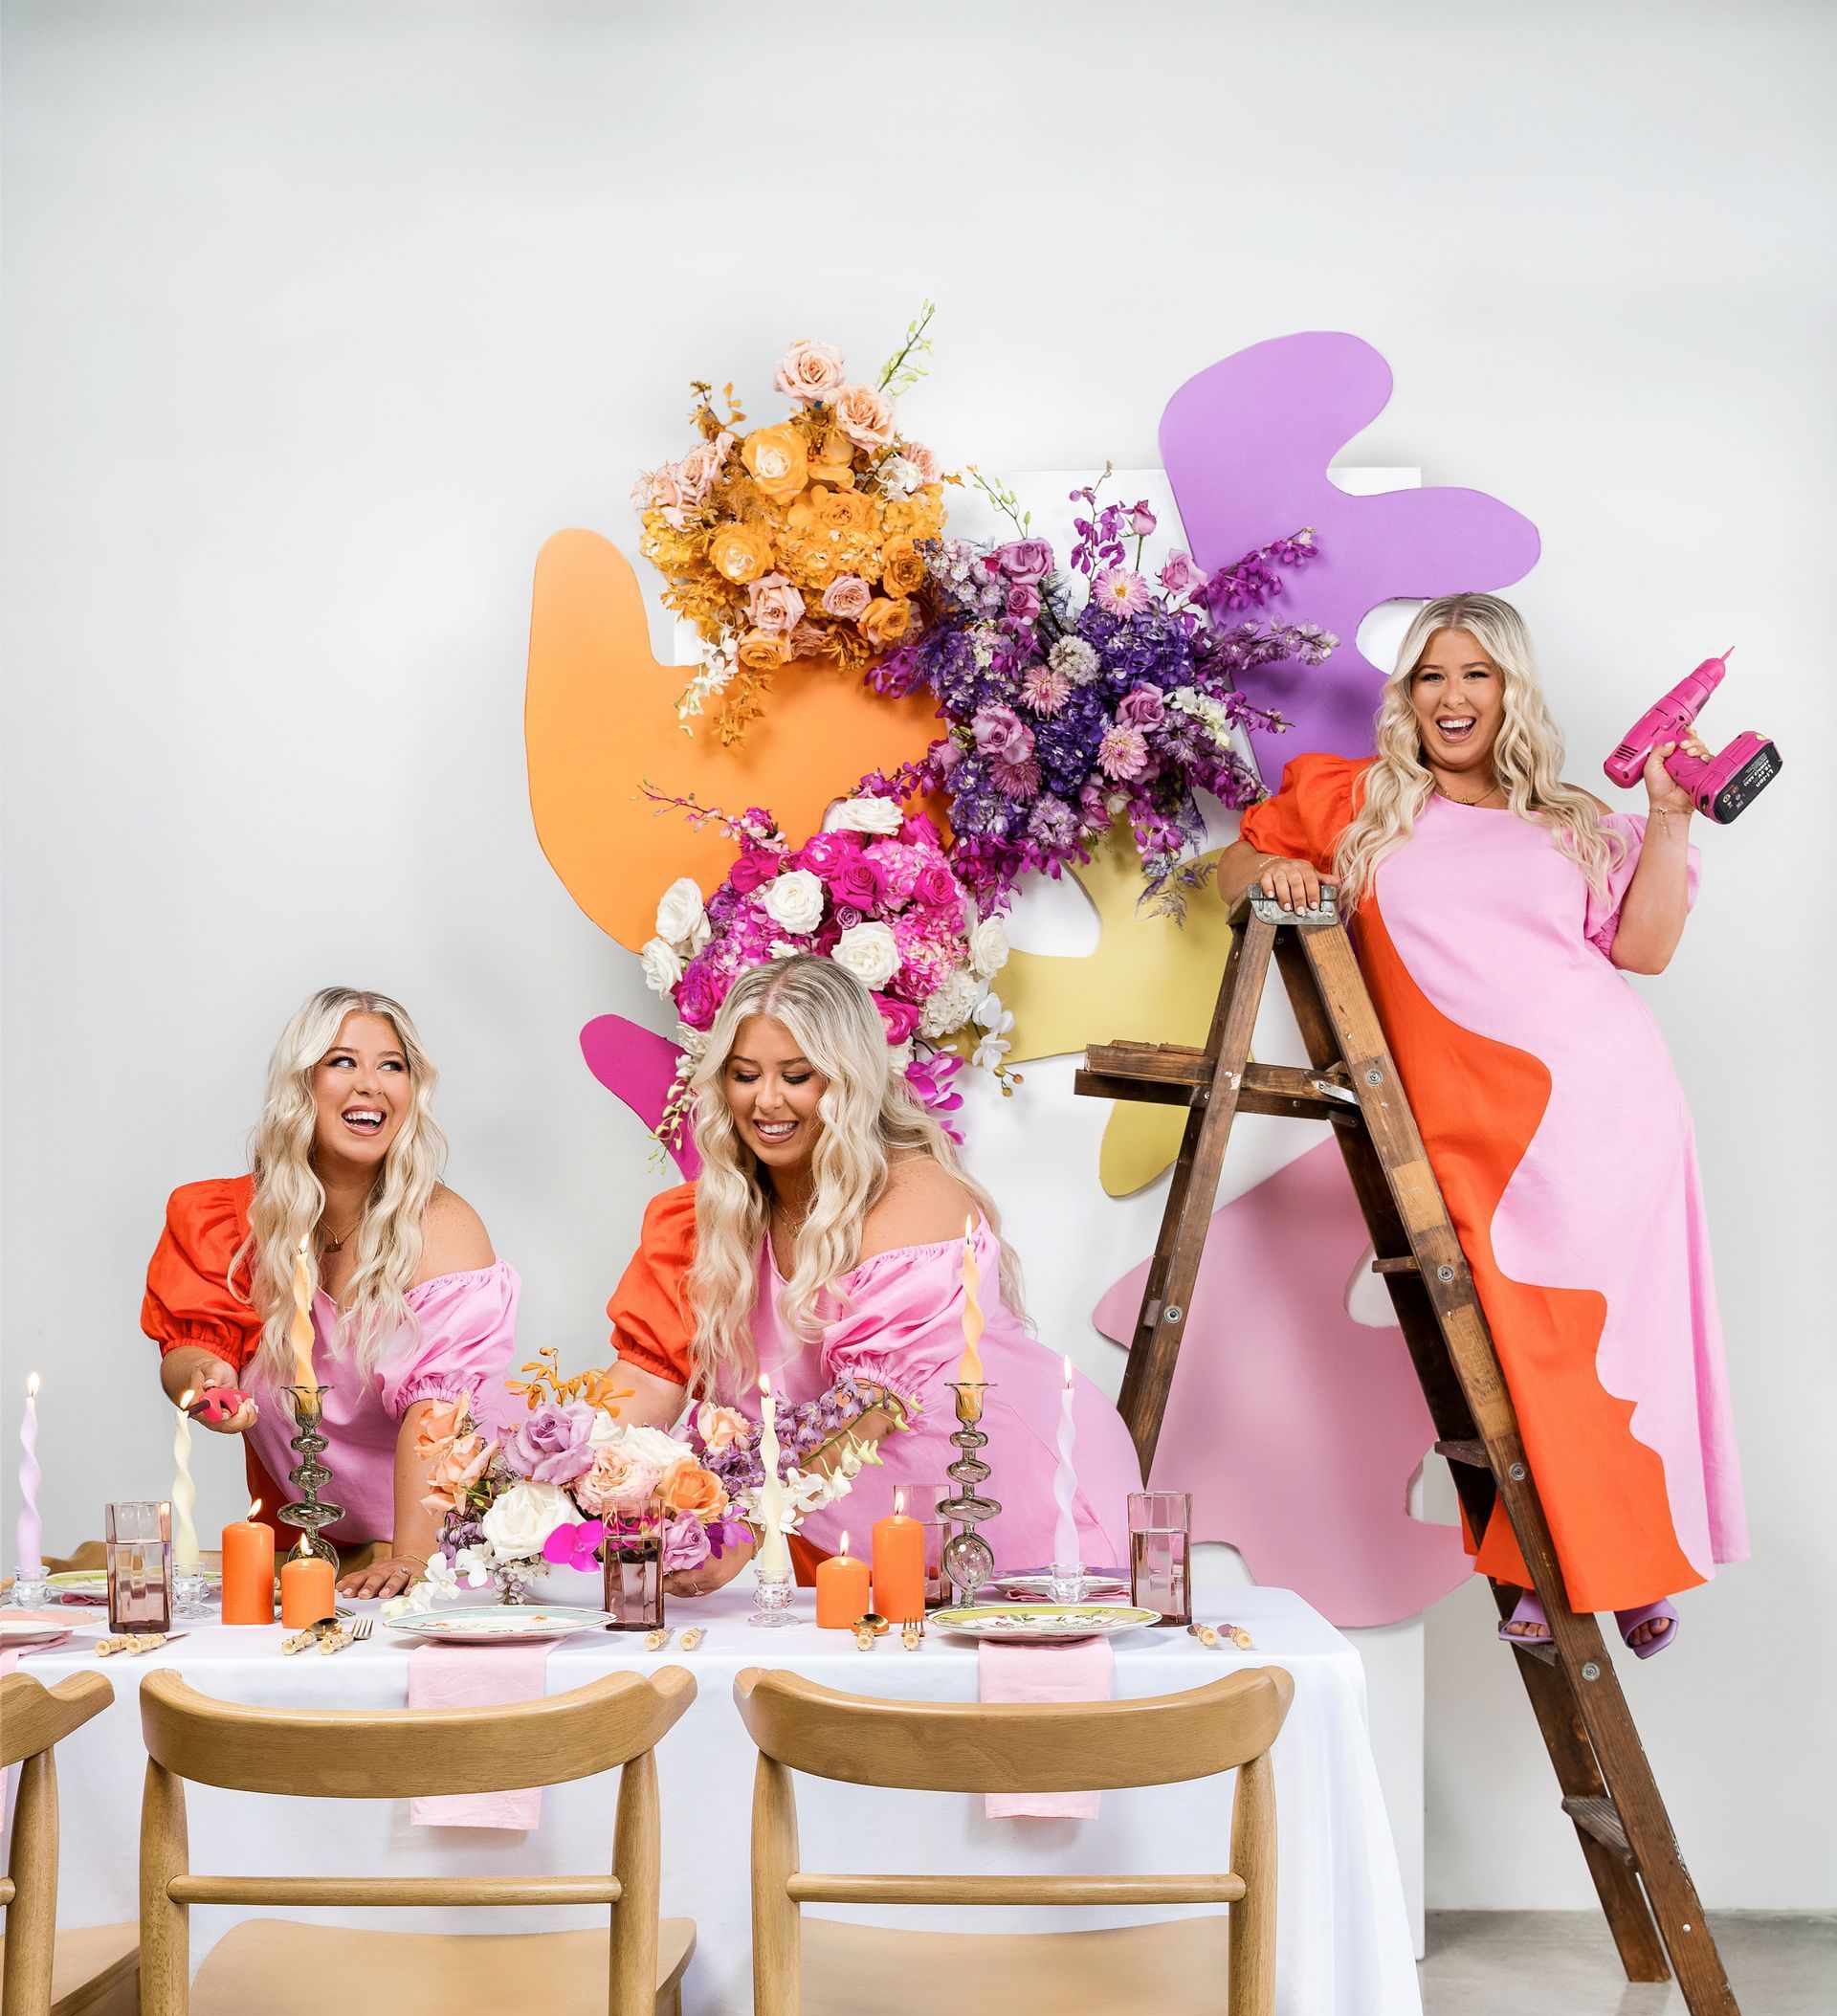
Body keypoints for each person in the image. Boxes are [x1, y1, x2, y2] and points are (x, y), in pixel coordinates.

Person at [1217, 592, 1745, 1656]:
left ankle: (1615, 1567)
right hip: (1468, 1128)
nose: (1453, 697)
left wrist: (1670, 813)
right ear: (1408, 696)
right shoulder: (1359, 801)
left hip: (1608, 1114)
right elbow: (1239, 860)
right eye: (1432, 676)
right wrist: (1273, 871)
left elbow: (1643, 953)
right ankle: (1555, 1558)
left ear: (1512, 691)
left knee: (1618, 1346)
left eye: (1477, 674)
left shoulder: (1570, 820)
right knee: (1508, 1347)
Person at [605, 955, 1140, 1590]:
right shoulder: (701, 1223)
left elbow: (869, 1407)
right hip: (868, 1538)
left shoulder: (914, 1196)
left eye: (797, 1075)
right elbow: (645, 1380)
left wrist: (743, 1521)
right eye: (745, 1075)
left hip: (1029, 1504)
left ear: (850, 1079)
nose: (766, 1099)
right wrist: (565, 1475)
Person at [143, 986, 519, 1600]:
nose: (370, 1084)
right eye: (343, 1061)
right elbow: (190, 1347)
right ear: (301, 1084)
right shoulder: (226, 1220)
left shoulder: (443, 1229)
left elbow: (439, 1414)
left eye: (391, 1065)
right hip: (313, 1550)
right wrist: (206, 1381)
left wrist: (412, 1559)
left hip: (449, 1549)